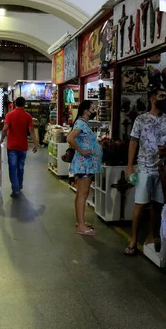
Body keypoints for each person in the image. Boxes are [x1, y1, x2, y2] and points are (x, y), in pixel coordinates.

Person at [124, 87, 166, 255]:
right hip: (143, 167)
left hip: (163, 169)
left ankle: (151, 235)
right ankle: (133, 239)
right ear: (152, 98)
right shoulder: (141, 119)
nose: (165, 98)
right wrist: (129, 166)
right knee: (140, 204)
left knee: (158, 205)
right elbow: (133, 142)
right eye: (161, 95)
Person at [67, 100, 103, 236]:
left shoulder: (83, 123)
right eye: (93, 109)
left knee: (81, 193)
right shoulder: (81, 123)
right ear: (85, 110)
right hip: (84, 165)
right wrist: (81, 150)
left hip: (87, 164)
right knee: (83, 193)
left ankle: (80, 221)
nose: (94, 111)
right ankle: (81, 226)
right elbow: (70, 138)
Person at [0, 97, 39, 197]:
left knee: (13, 168)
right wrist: (35, 143)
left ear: (15, 104)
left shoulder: (9, 115)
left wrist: (1, 140)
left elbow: (5, 129)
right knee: (20, 167)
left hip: (12, 147)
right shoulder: (28, 116)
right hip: (23, 147)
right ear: (24, 104)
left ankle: (15, 189)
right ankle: (20, 185)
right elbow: (32, 131)